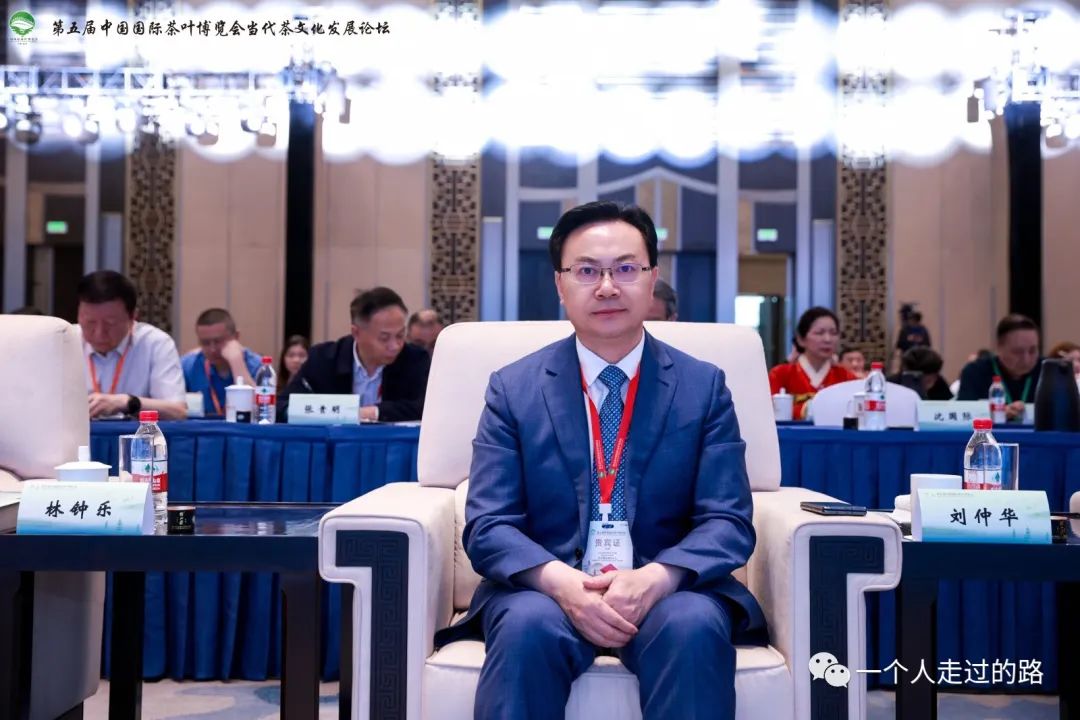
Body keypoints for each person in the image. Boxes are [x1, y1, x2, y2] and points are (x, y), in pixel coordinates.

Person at [436, 201, 765, 719]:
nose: (608, 287)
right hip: (545, 589)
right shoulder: (514, 389)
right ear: (560, 284)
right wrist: (562, 584)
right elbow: (489, 524)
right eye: (587, 271)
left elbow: (727, 519)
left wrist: (657, 578)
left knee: (693, 625)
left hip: (667, 587)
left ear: (652, 279)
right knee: (525, 627)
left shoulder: (703, 387)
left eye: (626, 268)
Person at [280, 287, 430, 422]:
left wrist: (371, 412)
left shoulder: (415, 359)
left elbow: (425, 406)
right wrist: (338, 413)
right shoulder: (323, 359)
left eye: (400, 335)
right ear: (356, 333)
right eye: (384, 338)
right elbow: (283, 405)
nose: (395, 346)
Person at [76, 270, 186, 420]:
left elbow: (178, 412)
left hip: (137, 434)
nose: (99, 333)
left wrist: (129, 403)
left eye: (110, 323)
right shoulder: (64, 341)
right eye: (90, 322)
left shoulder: (155, 343)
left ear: (133, 317)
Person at [768, 307, 856, 419]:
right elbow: (768, 409)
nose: (828, 339)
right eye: (819, 333)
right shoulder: (780, 374)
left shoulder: (845, 377)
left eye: (833, 333)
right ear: (801, 339)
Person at [957, 314, 1042, 421]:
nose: (1026, 359)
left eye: (1032, 351)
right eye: (1018, 352)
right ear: (999, 348)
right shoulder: (975, 372)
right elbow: (963, 417)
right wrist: (993, 416)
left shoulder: (1049, 371)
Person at [180, 308, 262, 417]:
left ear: (236, 337)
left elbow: (261, 411)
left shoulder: (258, 366)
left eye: (218, 341)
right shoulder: (188, 365)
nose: (212, 349)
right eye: (205, 343)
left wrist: (237, 363)